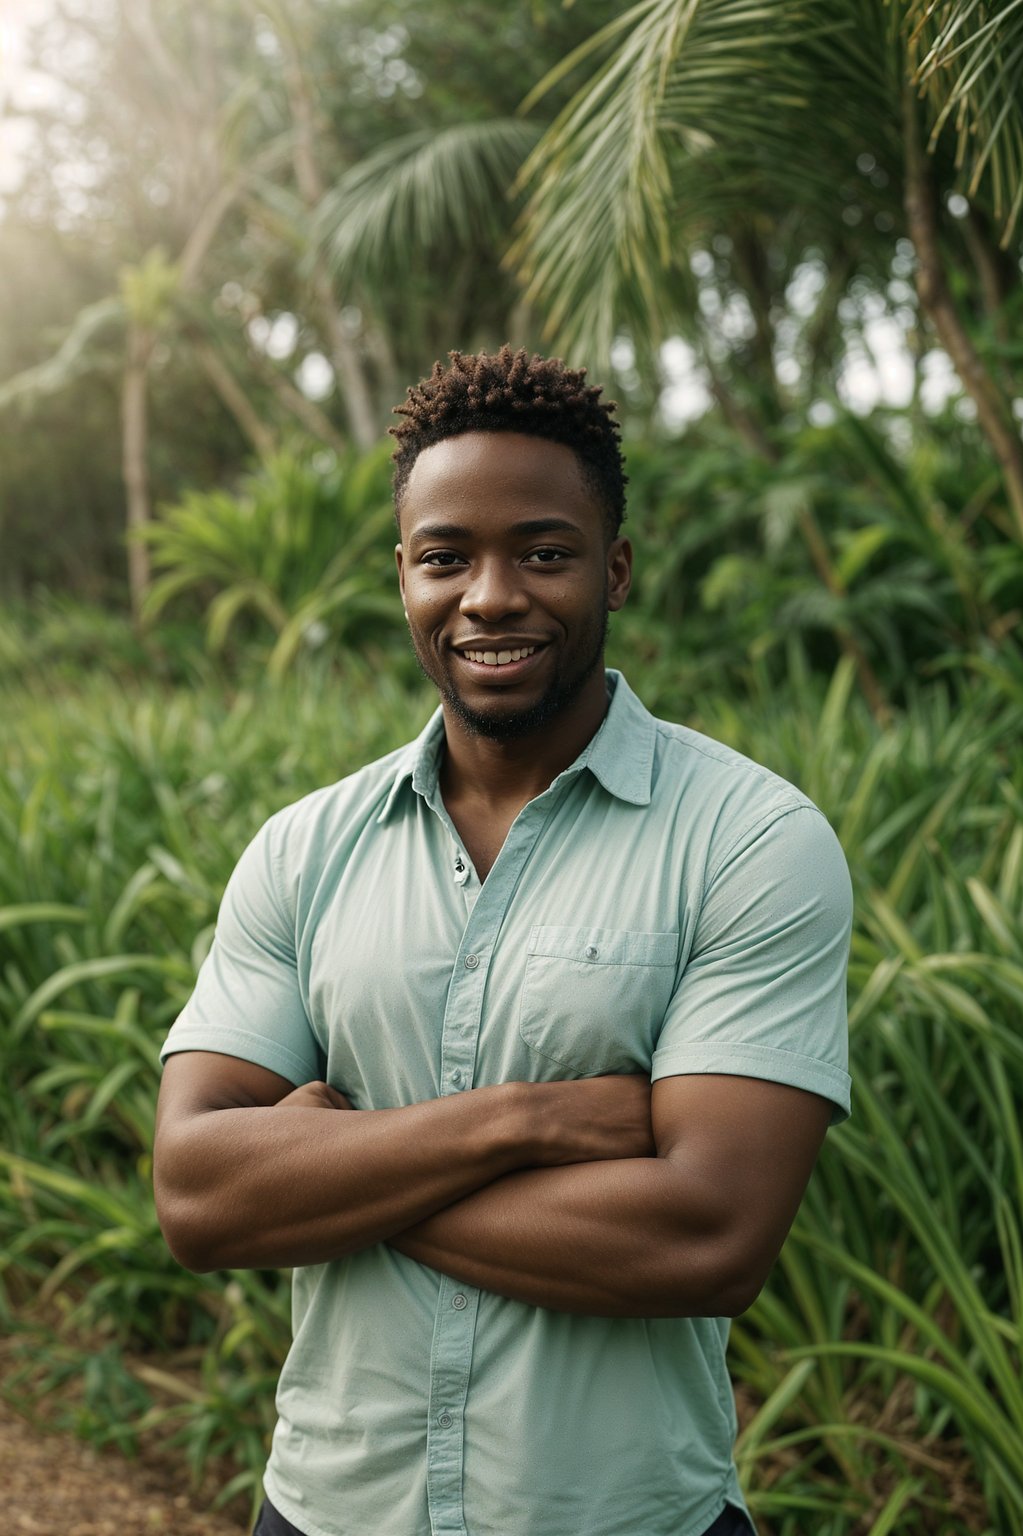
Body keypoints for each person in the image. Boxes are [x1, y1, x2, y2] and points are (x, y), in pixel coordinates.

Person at [153, 347, 852, 1536]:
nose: (489, 596)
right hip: (328, 1508)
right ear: (405, 575)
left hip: (625, 1516)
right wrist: (522, 1123)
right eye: (446, 557)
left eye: (541, 552)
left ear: (613, 568)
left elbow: (708, 1236)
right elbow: (199, 1198)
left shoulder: (750, 841)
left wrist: (336, 1172)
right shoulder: (304, 849)